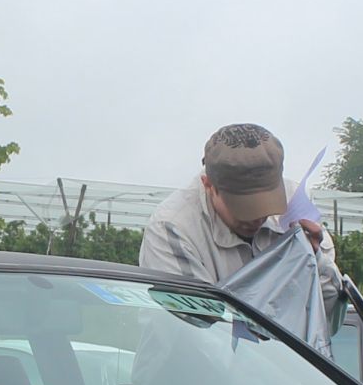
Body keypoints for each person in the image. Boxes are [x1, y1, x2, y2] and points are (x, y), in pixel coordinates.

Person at [138, 123, 343, 326]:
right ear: (208, 185)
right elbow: (202, 329)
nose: (257, 217)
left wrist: (315, 261)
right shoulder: (172, 227)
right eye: (243, 207)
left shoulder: (296, 206)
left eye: (267, 203)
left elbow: (326, 314)